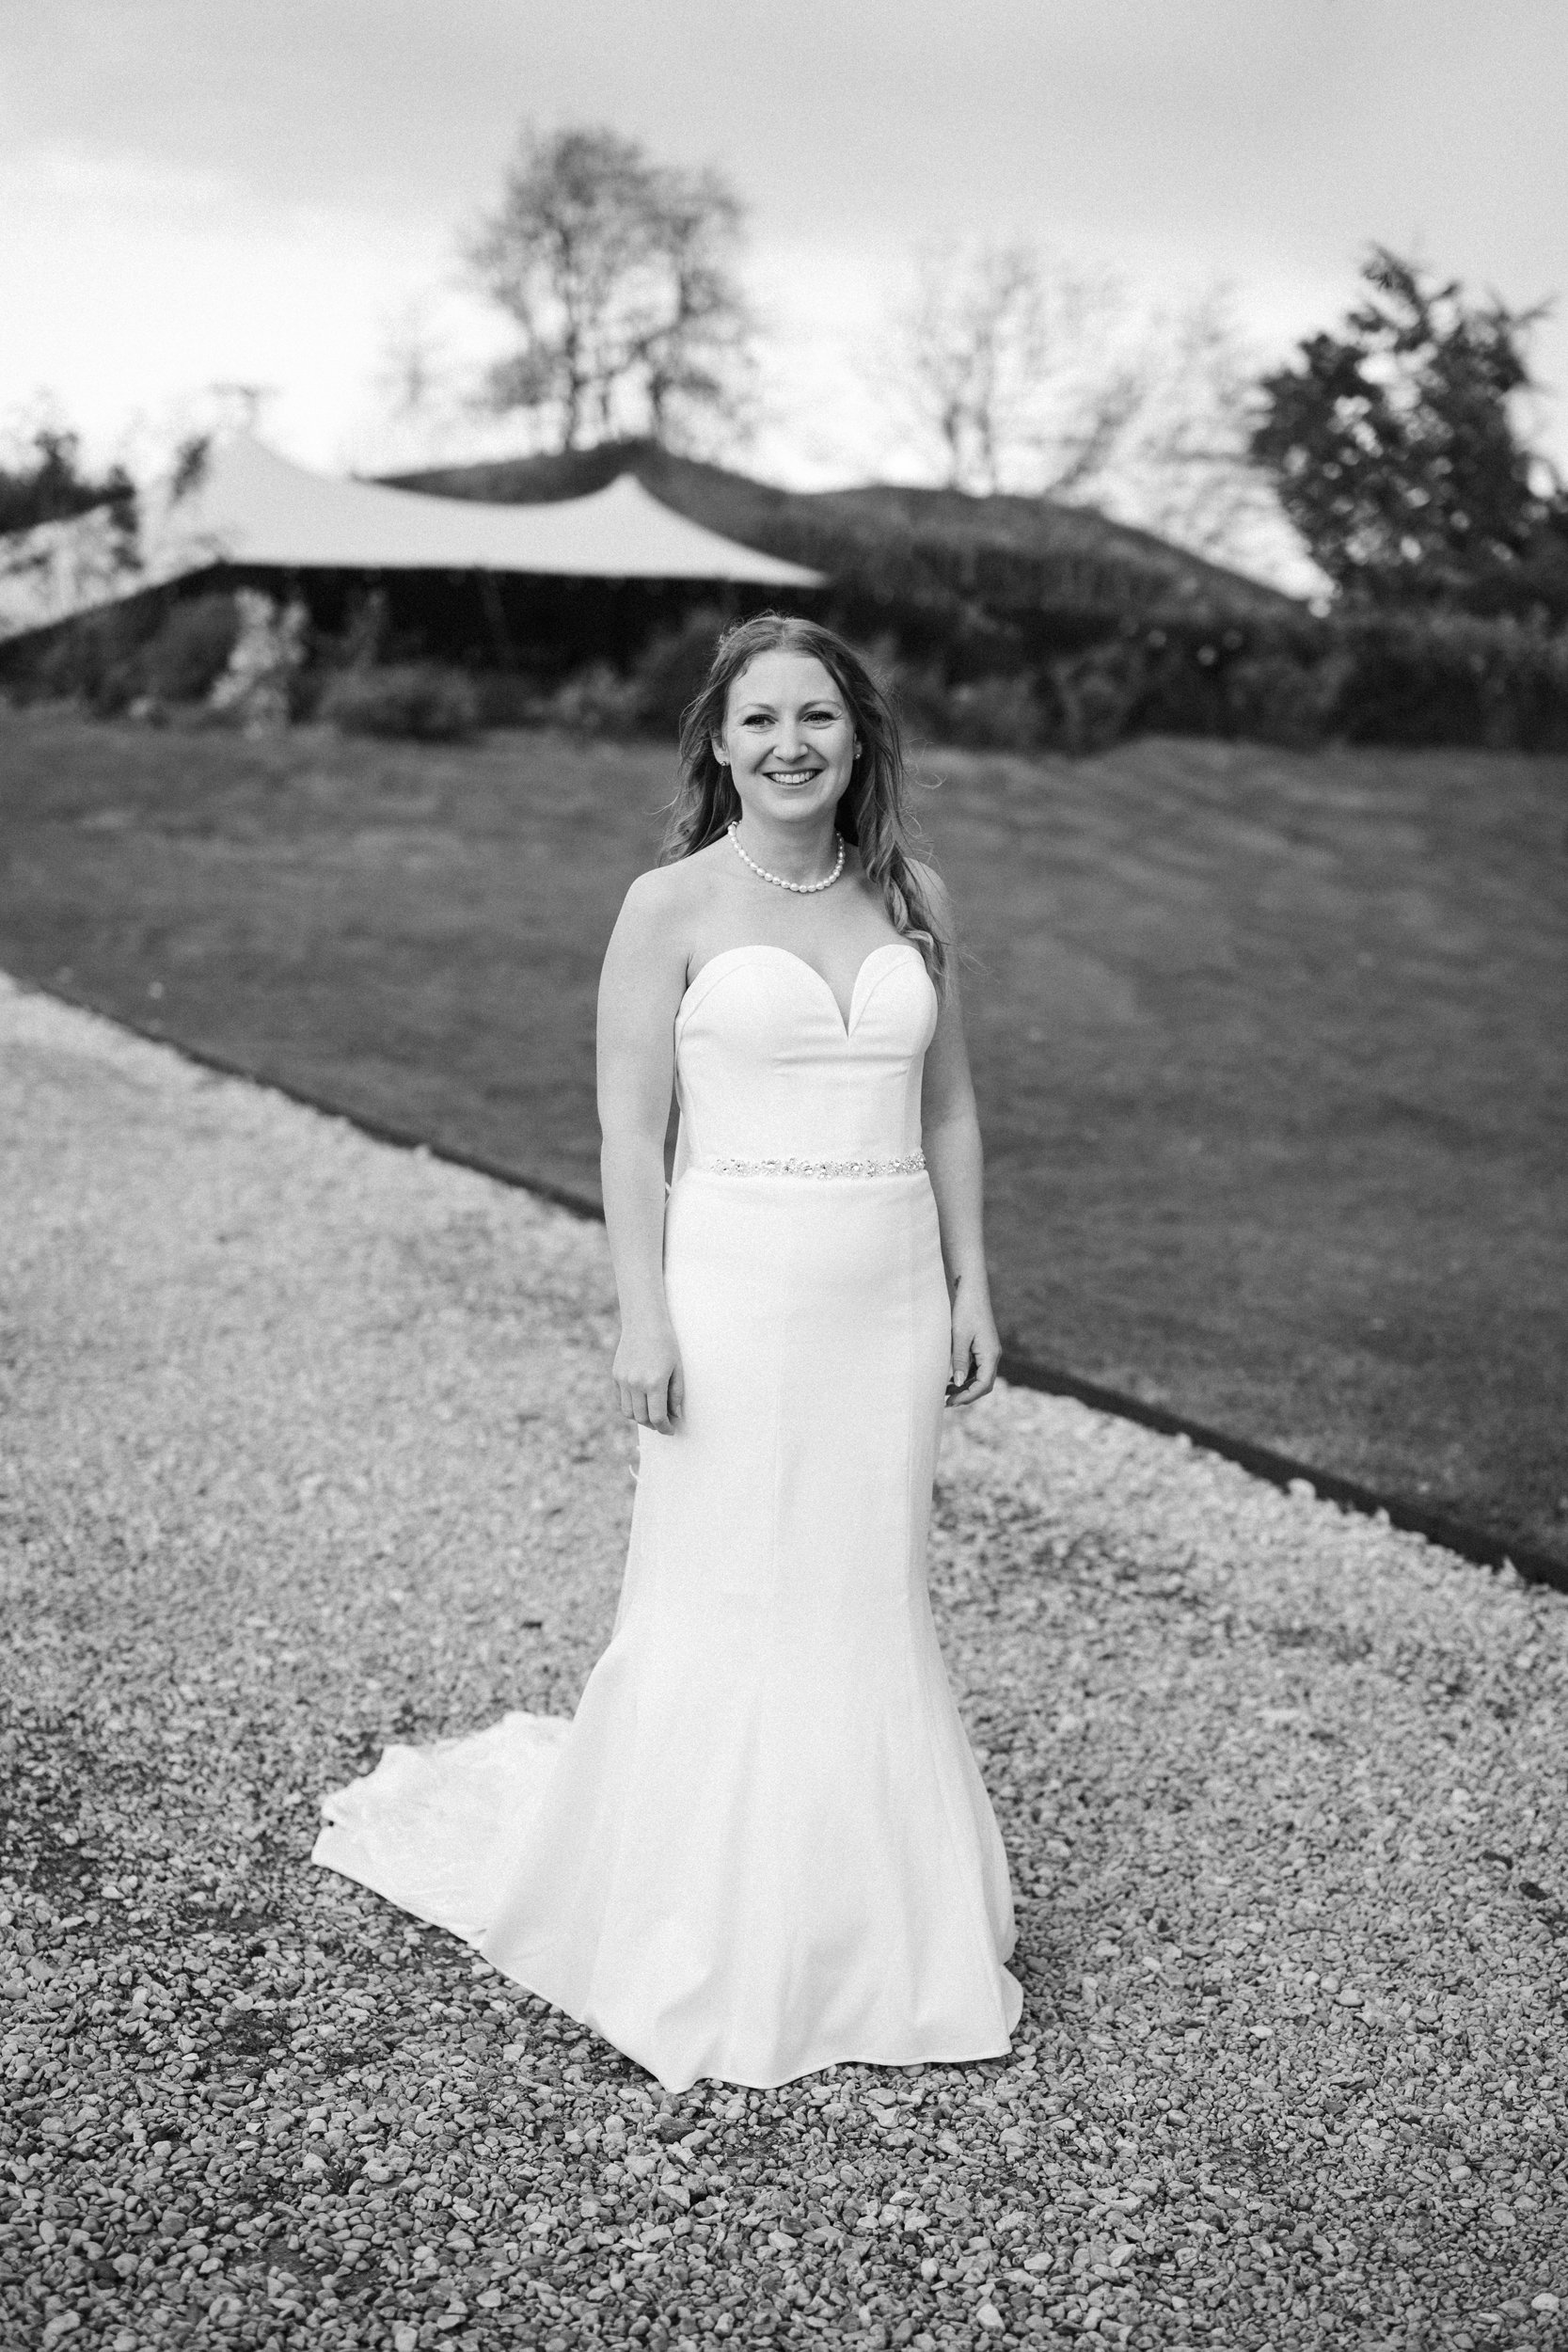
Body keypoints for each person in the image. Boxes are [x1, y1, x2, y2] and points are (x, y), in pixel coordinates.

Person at [314, 615, 1022, 2090]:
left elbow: (947, 1105)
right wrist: (644, 1314)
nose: (790, 745)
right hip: (736, 1289)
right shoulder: (671, 905)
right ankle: (703, 1922)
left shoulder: (913, 895)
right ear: (716, 742)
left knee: (862, 1586)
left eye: (817, 717)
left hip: (884, 1290)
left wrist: (971, 1282)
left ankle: (870, 1929)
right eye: (759, 720)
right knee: (730, 1585)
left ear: (859, 735)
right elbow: (629, 1137)